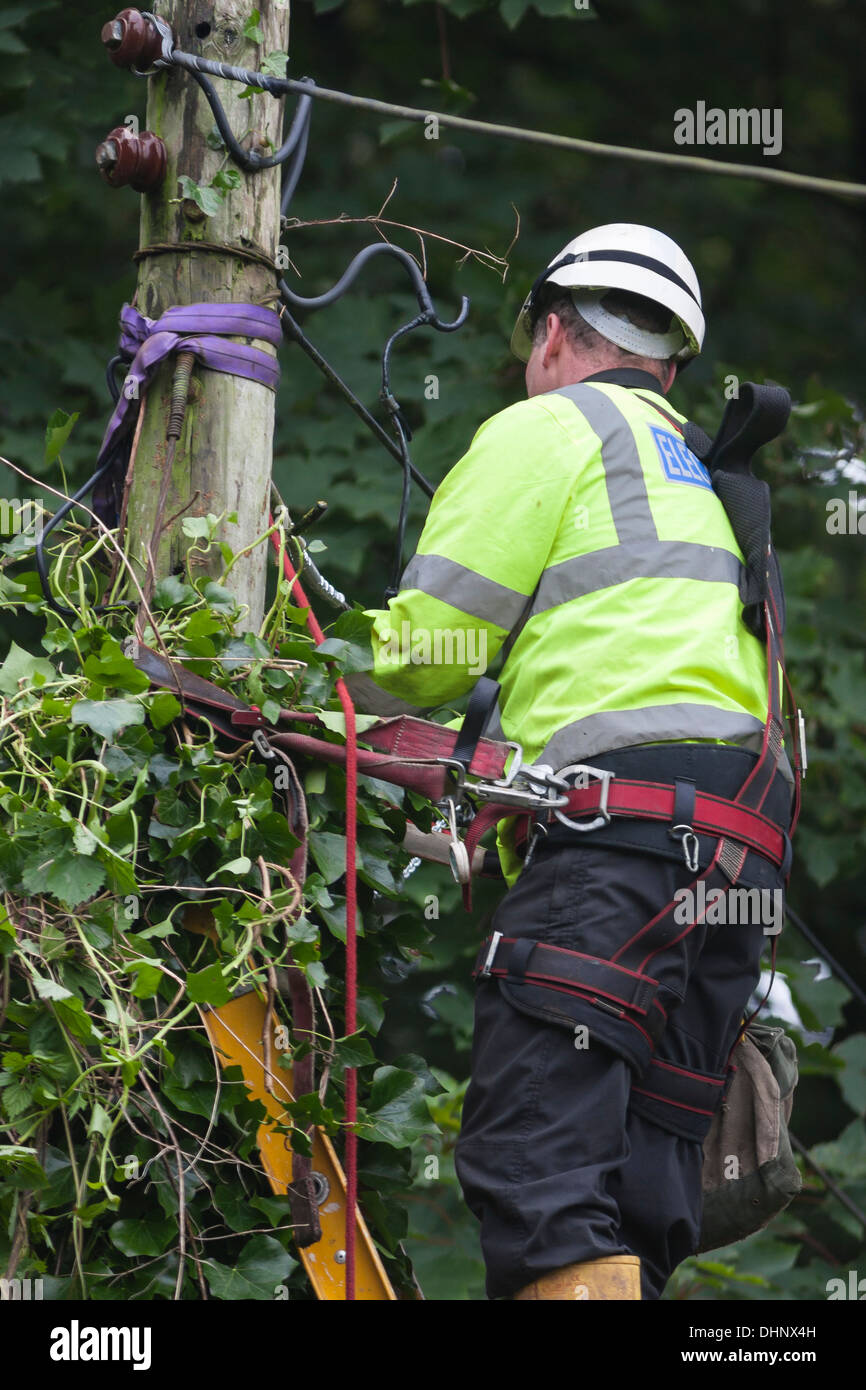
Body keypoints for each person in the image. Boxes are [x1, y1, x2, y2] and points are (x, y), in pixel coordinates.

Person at [362, 223, 795, 1300]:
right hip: (734, 863)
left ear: (552, 334)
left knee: (539, 1171)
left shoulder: (550, 426)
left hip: (619, 845)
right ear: (668, 362)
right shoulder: (710, 477)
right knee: (636, 1201)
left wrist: (301, 680)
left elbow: (429, 650)